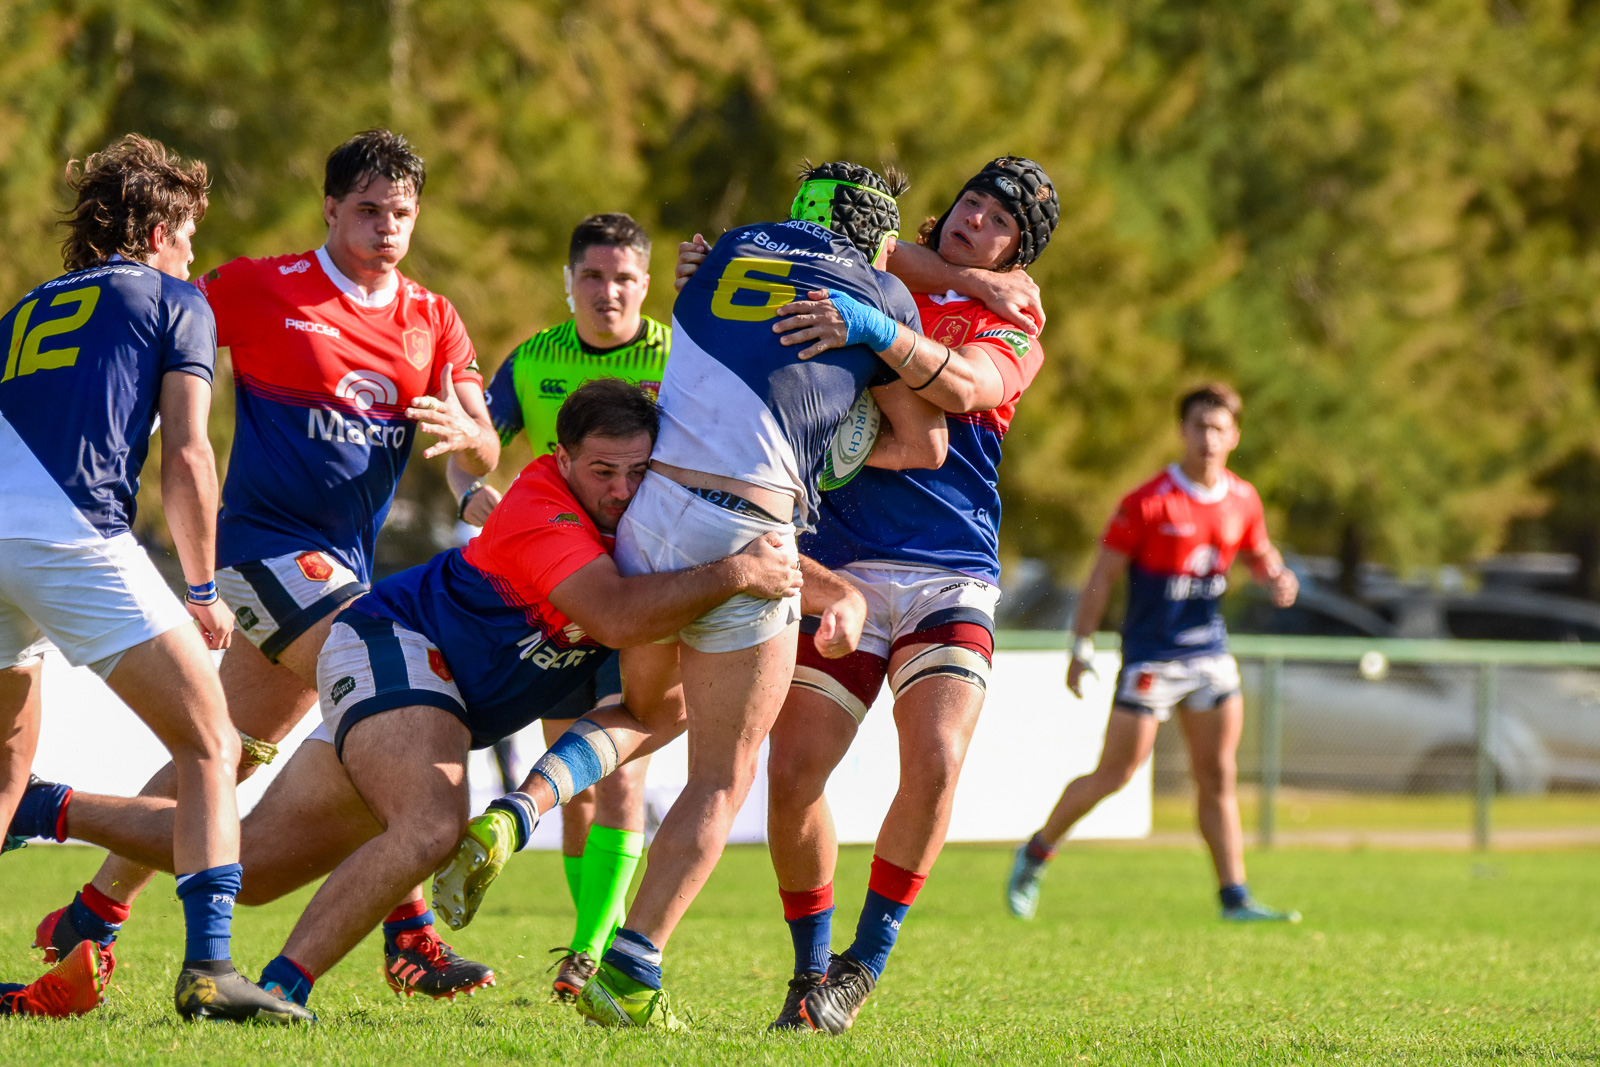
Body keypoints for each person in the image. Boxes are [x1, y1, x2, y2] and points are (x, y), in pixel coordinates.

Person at [6, 380, 803, 1017]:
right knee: (428, 824)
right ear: (561, 459)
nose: (624, 491)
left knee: (248, 866)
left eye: (640, 472)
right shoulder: (541, 506)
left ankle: (41, 808)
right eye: (604, 471)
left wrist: (831, 587)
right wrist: (738, 573)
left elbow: (647, 703)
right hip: (393, 644)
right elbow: (619, 615)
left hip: (428, 690)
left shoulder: (646, 525)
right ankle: (282, 991)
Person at [432, 161, 950, 1030]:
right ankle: (629, 972)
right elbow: (927, 443)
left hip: (652, 511)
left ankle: (516, 813)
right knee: (721, 775)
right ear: (880, 237)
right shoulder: (883, 293)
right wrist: (839, 433)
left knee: (647, 711)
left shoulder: (734, 250)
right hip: (747, 526)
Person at [24, 128, 500, 1002]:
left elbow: (476, 440)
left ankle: (92, 911)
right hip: (266, 552)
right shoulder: (256, 285)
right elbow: (151, 335)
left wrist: (475, 453)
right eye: (366, 210)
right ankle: (412, 935)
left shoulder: (432, 317)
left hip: (341, 569)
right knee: (397, 703)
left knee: (223, 752)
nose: (386, 228)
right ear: (329, 208)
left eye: (400, 213)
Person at [746, 157, 1063, 1033]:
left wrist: (876, 328)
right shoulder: (888, 273)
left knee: (937, 759)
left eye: (1001, 220)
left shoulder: (1016, 328)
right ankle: (810, 972)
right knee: (795, 772)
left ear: (1022, 252)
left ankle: (864, 962)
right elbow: (867, 249)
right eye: (971, 202)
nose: (977, 219)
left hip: (948, 564)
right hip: (839, 562)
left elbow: (964, 388)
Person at [0, 134, 307, 1022]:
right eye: (189, 235)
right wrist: (203, 588)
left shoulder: (25, 306)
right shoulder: (175, 299)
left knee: (5, 769)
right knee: (213, 741)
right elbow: (185, 454)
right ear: (161, 225)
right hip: (70, 537)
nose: (194, 255)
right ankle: (210, 969)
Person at [451, 213, 668, 1001]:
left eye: (623, 278)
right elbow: (475, 441)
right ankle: (593, 942)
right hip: (559, 597)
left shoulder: (674, 357)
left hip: (645, 591)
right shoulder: (535, 359)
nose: (608, 292)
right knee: (572, 777)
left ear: (645, 284)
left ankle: (586, 952)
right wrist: (471, 489)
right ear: (568, 282)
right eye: (592, 277)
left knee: (621, 774)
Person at [1006, 383, 1302, 924]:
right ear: (1182, 432)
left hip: (1209, 655)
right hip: (1152, 658)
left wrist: (1277, 577)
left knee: (1218, 778)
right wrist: (1081, 643)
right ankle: (1036, 852)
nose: (1208, 439)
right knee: (1116, 774)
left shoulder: (1243, 498)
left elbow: (1259, 553)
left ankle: (1234, 896)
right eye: (1199, 427)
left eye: (1218, 429)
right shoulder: (1149, 501)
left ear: (1234, 435)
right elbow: (1102, 576)